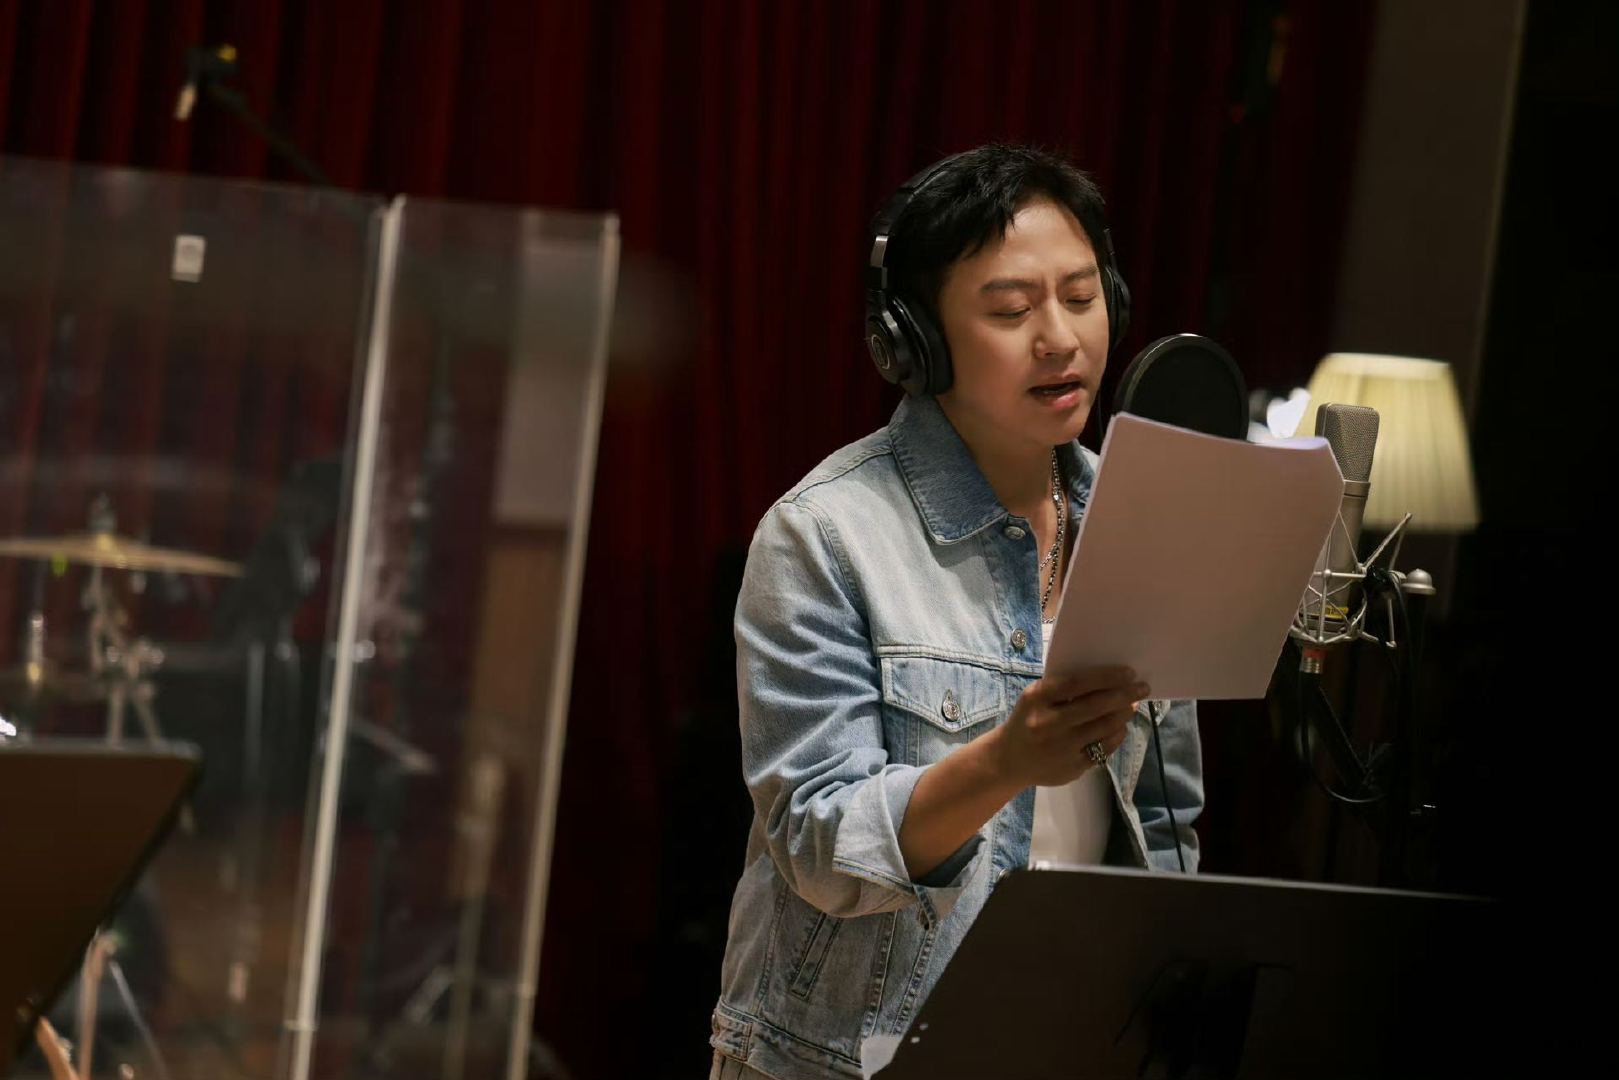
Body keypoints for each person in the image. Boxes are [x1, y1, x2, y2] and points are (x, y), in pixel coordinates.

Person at [708, 144, 1203, 1080]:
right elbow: (819, 844)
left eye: (1082, 297)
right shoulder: (824, 534)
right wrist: (1005, 763)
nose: (1058, 338)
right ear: (913, 340)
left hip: (1067, 1043)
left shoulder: (1142, 519)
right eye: (1011, 311)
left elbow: (1164, 829)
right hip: (846, 1058)